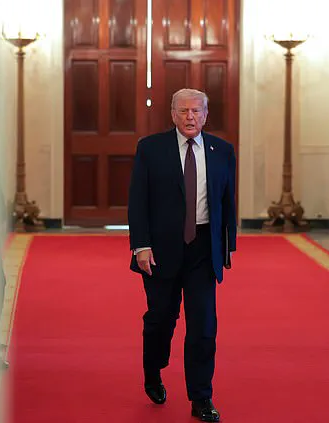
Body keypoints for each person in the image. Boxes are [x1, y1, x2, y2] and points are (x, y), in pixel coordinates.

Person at [128, 88, 237, 422]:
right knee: (161, 319)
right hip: (161, 249)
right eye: (184, 111)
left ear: (206, 115)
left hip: (203, 248)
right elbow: (138, 199)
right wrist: (141, 245)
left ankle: (201, 397)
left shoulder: (222, 151)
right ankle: (153, 370)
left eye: (197, 111)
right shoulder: (151, 149)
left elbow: (227, 201)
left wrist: (227, 247)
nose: (191, 117)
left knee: (204, 324)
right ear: (173, 114)